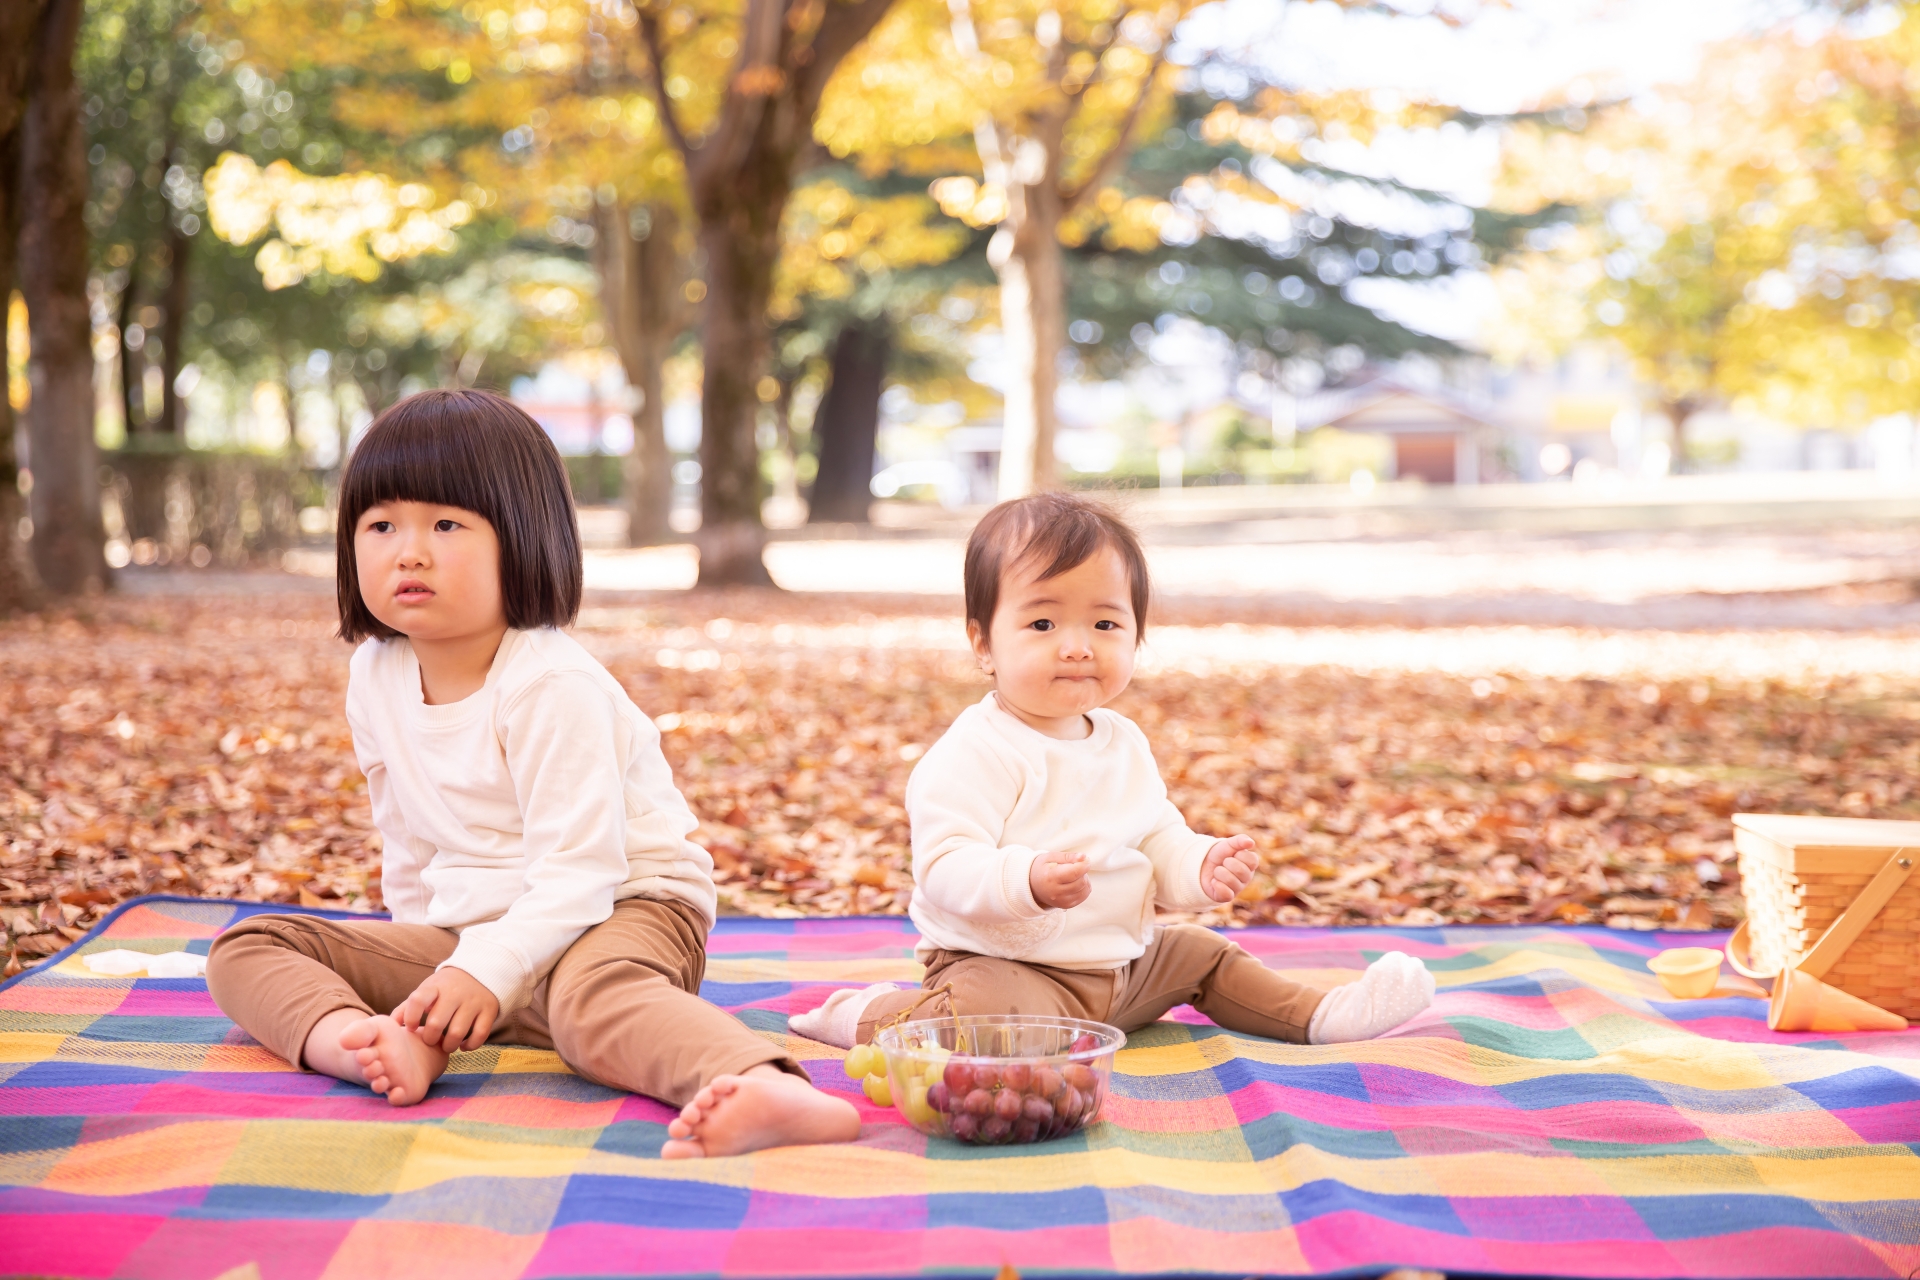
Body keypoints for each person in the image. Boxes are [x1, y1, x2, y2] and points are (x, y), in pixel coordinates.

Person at [206, 389, 858, 1159]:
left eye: (446, 524)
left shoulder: (549, 683)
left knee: (588, 1009)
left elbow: (580, 872)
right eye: (381, 525)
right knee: (248, 946)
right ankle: (362, 1045)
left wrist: (482, 970)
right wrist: (427, 983)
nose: (408, 550)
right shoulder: (374, 674)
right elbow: (405, 838)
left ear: (521, 538)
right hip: (477, 935)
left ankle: (767, 1087)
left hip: (622, 911)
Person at [793, 492, 1434, 1051]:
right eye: (1042, 622)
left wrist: (1198, 866)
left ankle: (1316, 1016)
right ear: (983, 643)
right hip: (1006, 966)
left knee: (1203, 957)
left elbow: (1154, 832)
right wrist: (1026, 880)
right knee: (990, 1026)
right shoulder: (976, 751)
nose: (1077, 644)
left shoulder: (1122, 742)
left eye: (1105, 623)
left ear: (1136, 636)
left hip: (1122, 966)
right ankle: (865, 1014)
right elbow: (944, 866)